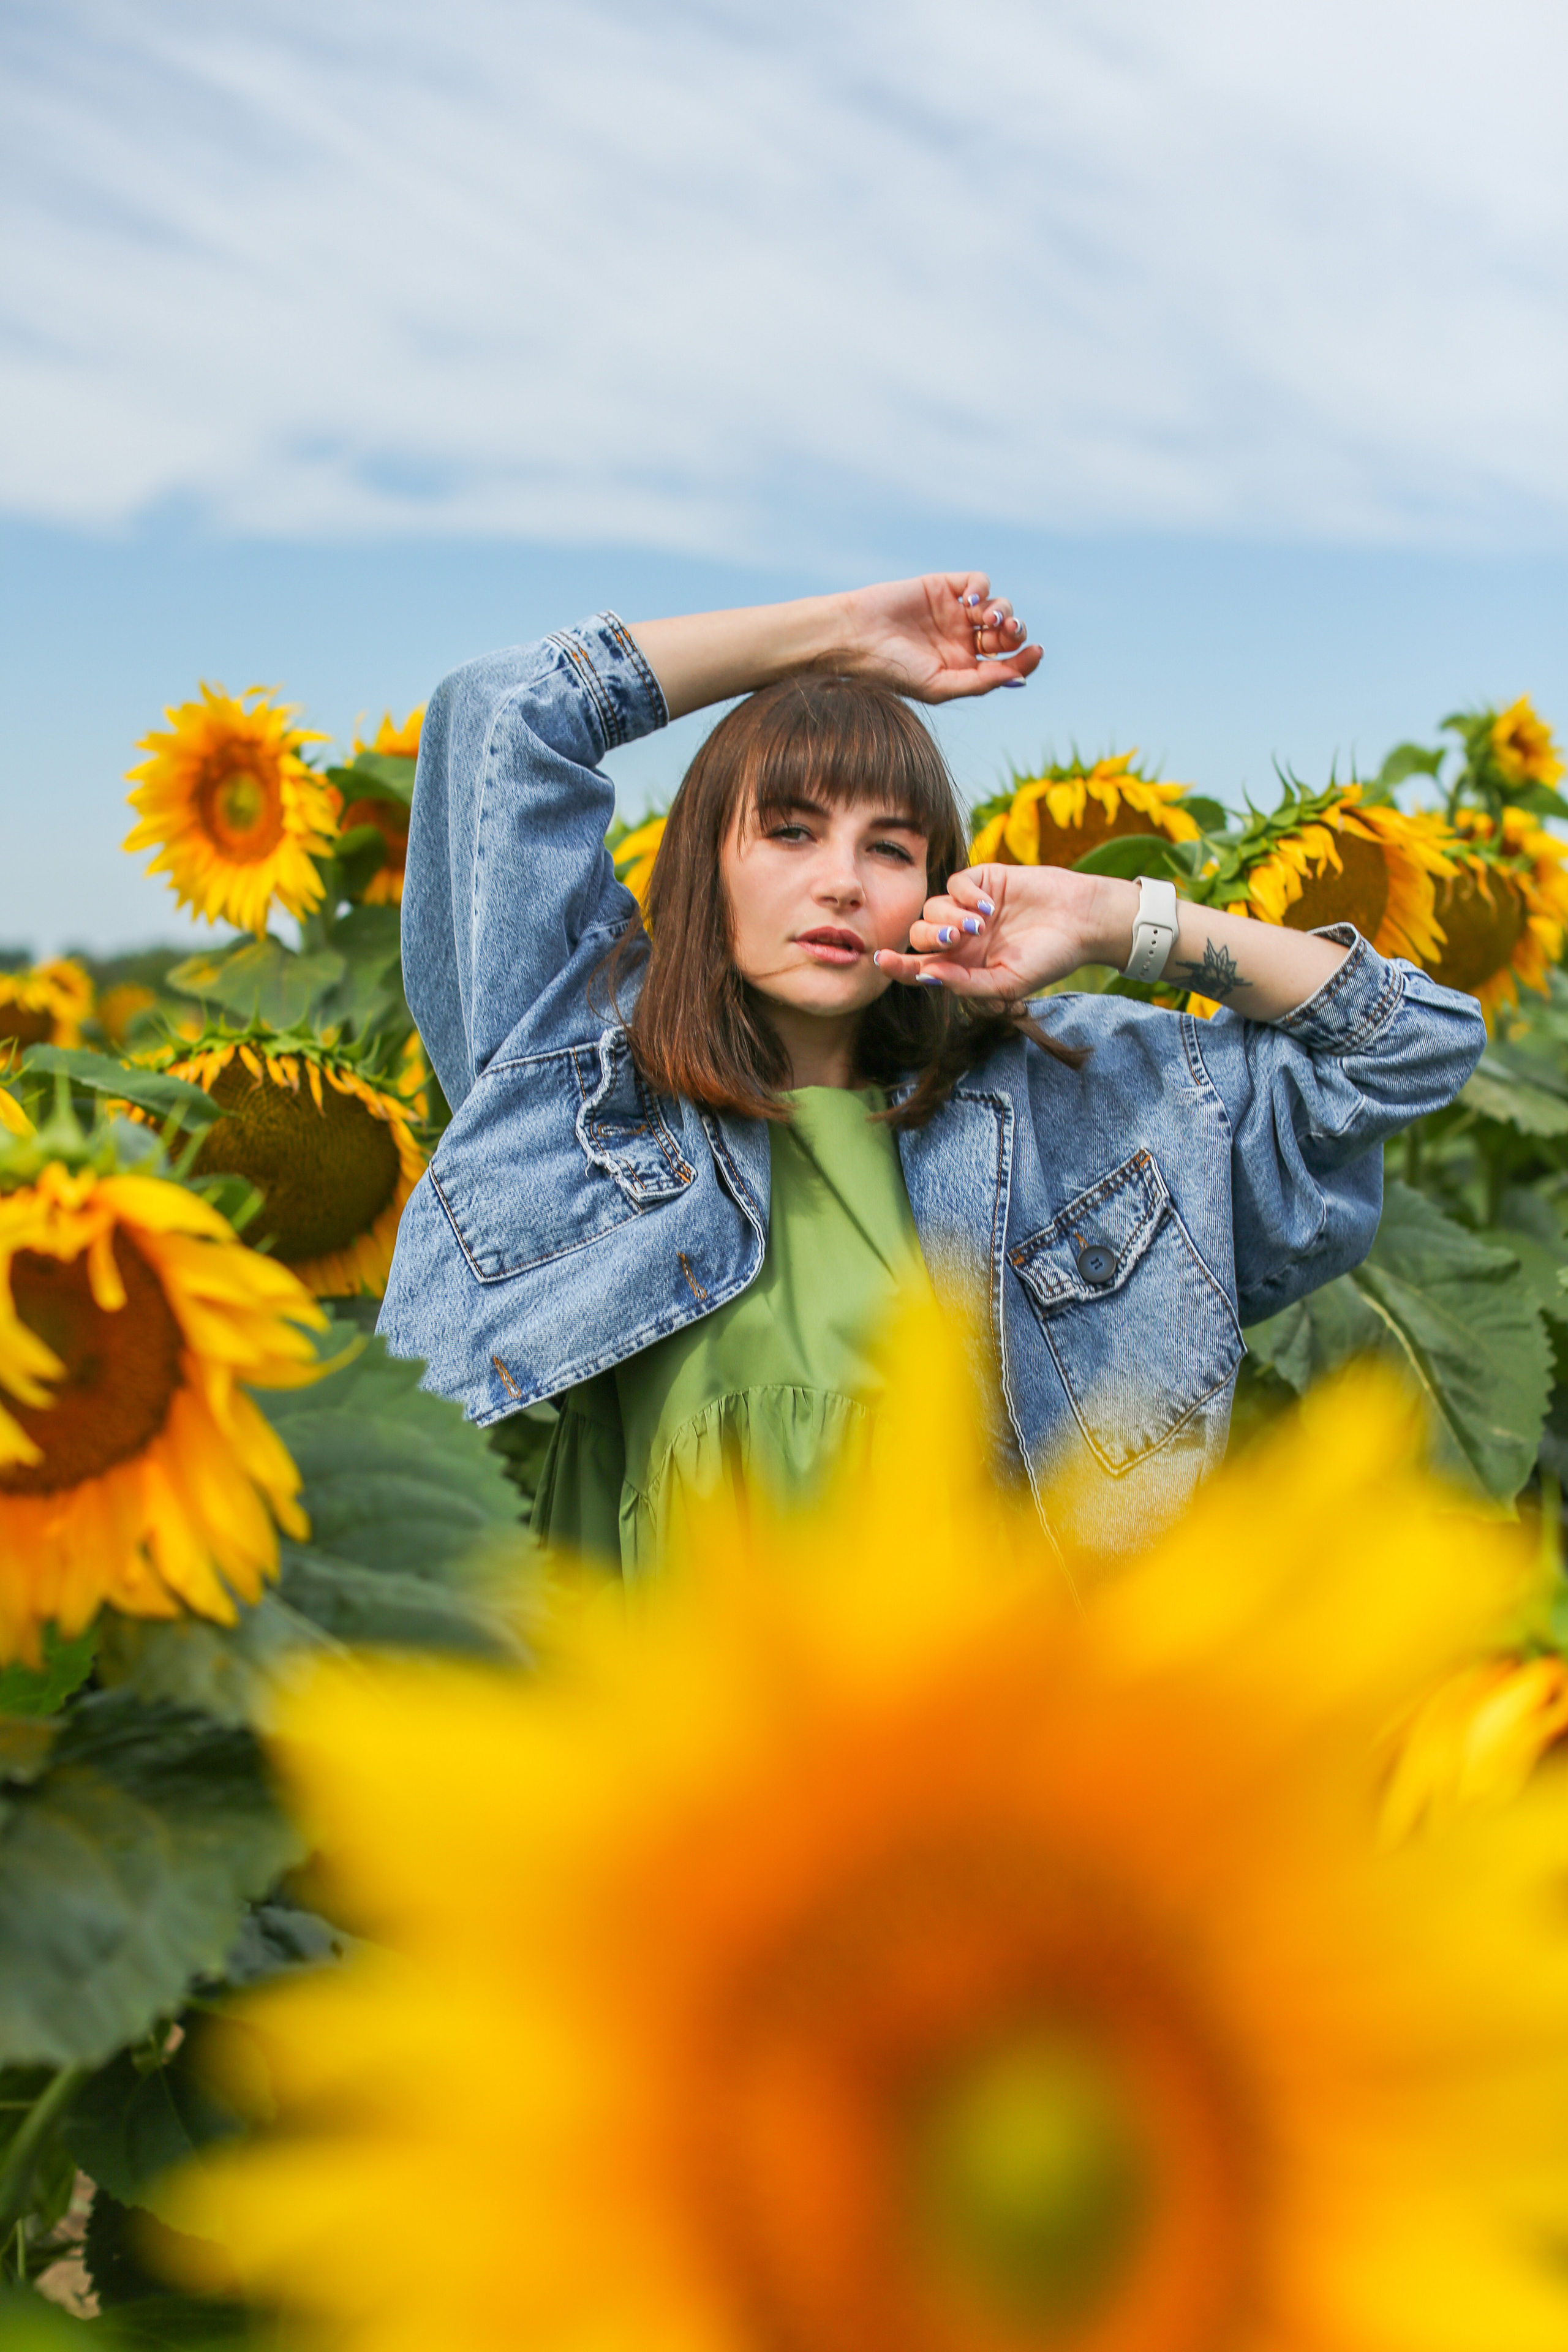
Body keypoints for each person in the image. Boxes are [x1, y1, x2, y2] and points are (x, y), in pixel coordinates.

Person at [378, 573, 1485, 1562]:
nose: (844, 883)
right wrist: (842, 634)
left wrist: (1113, 919)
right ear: (709, 862)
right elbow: (498, 716)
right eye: (791, 832)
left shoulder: (1062, 1107)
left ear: (936, 885)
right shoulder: (593, 1087)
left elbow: (1410, 1046)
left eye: (891, 849)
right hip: (664, 1750)